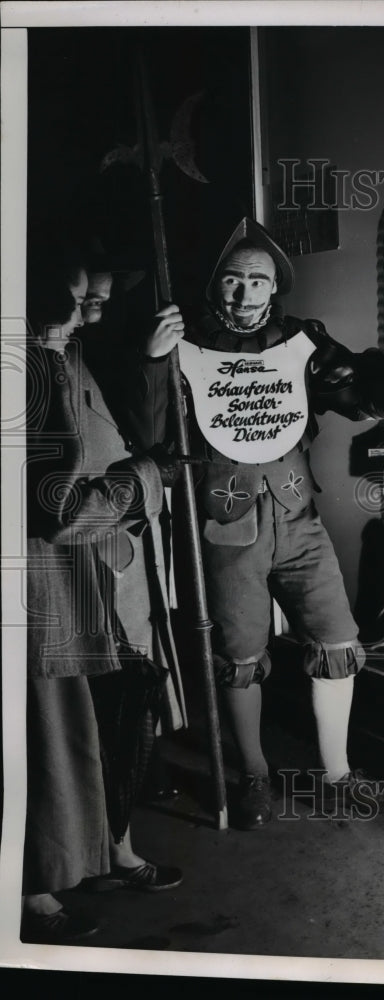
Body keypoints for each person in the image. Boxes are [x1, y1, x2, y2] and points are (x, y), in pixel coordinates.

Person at [152, 218, 384, 829]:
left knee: (336, 638)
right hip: (225, 526)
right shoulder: (181, 344)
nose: (245, 294)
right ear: (214, 285)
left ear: (275, 287)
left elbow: (352, 387)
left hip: (299, 516)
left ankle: (337, 773)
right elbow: (148, 429)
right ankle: (253, 774)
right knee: (240, 652)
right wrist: (153, 360)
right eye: (232, 280)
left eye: (258, 280)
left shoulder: (299, 341)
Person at [22, 238, 183, 945]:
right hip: (45, 576)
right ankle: (33, 890)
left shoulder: (69, 352)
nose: (84, 313)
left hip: (102, 569)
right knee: (45, 731)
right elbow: (56, 508)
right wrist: (147, 478)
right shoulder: (27, 365)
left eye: (97, 300)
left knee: (117, 710)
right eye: (73, 298)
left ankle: (101, 850)